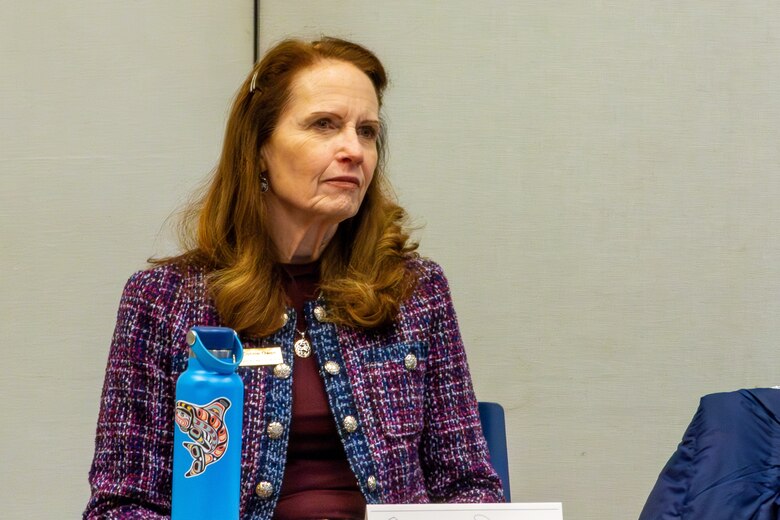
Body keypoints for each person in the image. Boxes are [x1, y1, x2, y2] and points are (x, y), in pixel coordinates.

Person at [84, 36, 504, 520]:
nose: (354, 149)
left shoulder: (416, 291)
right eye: (324, 125)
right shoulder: (164, 300)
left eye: (367, 131)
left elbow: (470, 487)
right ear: (260, 147)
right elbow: (121, 505)